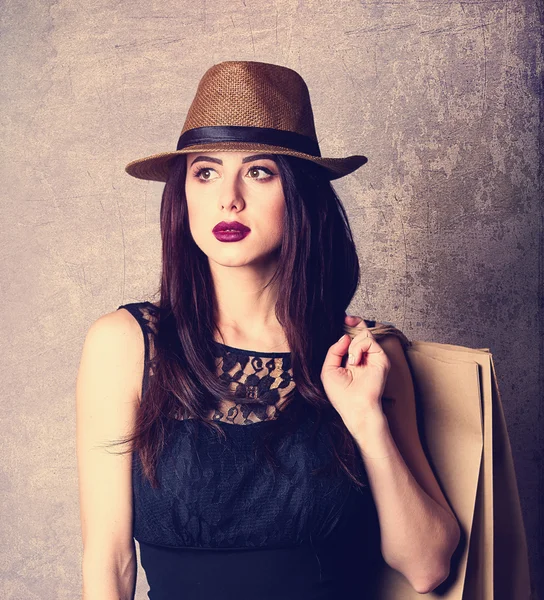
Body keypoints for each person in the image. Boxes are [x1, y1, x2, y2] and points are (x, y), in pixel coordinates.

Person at [76, 61, 460, 600]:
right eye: (205, 172)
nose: (228, 198)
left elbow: (427, 566)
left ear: (299, 193)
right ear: (182, 194)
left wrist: (367, 422)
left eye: (259, 172)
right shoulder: (125, 342)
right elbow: (108, 562)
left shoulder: (363, 353)